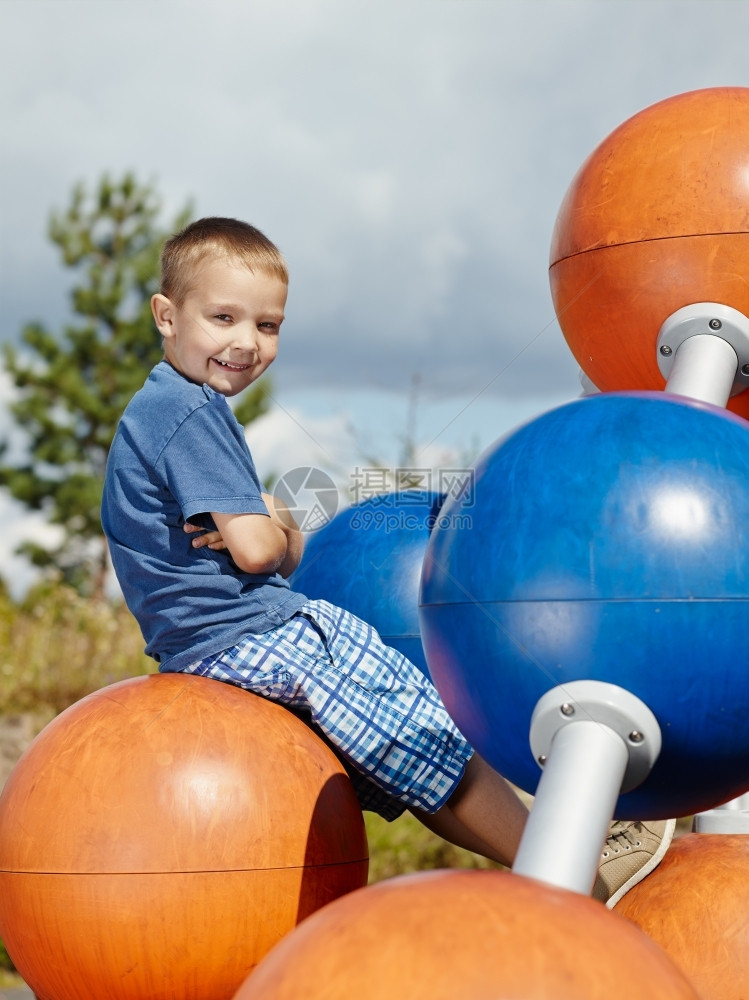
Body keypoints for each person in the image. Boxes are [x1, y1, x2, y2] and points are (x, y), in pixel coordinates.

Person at [101, 216, 673, 903]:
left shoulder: (158, 409)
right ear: (167, 315)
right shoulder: (190, 411)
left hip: (200, 642)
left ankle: (544, 862)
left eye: (268, 325)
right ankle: (568, 869)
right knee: (425, 728)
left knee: (408, 756)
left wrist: (274, 527)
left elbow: (283, 550)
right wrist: (274, 521)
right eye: (222, 317)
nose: (246, 343)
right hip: (245, 637)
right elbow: (262, 552)